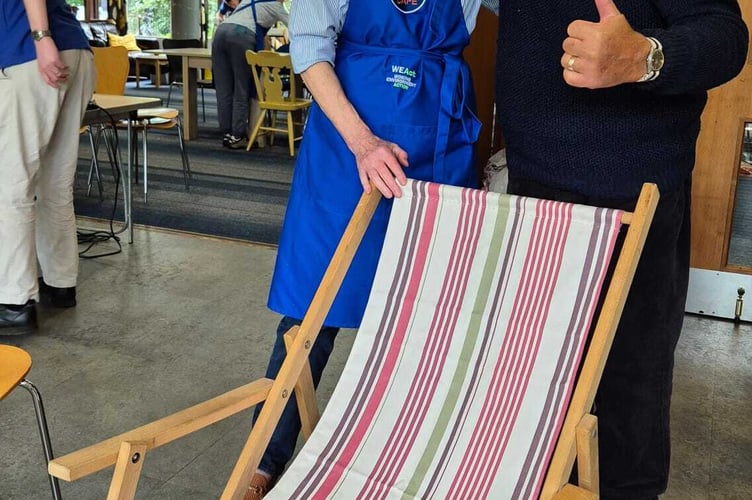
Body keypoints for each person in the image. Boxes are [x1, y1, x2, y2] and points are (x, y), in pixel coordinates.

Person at [493, 0, 747, 498]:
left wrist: (645, 57)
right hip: (533, 189)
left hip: (633, 196)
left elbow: (726, 37)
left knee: (630, 380)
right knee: (540, 374)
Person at [244, 0, 483, 498]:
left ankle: (406, 462)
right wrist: (362, 142)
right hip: (346, 144)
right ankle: (263, 459)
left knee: (429, 313)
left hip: (437, 145)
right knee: (313, 309)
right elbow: (309, 51)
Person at [0, 0, 95, 335]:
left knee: (12, 184)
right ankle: (60, 284)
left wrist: (41, 37)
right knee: (53, 182)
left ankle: (13, 302)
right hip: (73, 49)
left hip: (29, 52)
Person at [211, 0, 289, 149]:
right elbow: (297, 29)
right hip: (241, 36)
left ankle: (227, 132)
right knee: (242, 87)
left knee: (224, 88)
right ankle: (237, 135)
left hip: (221, 33)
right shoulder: (276, 7)